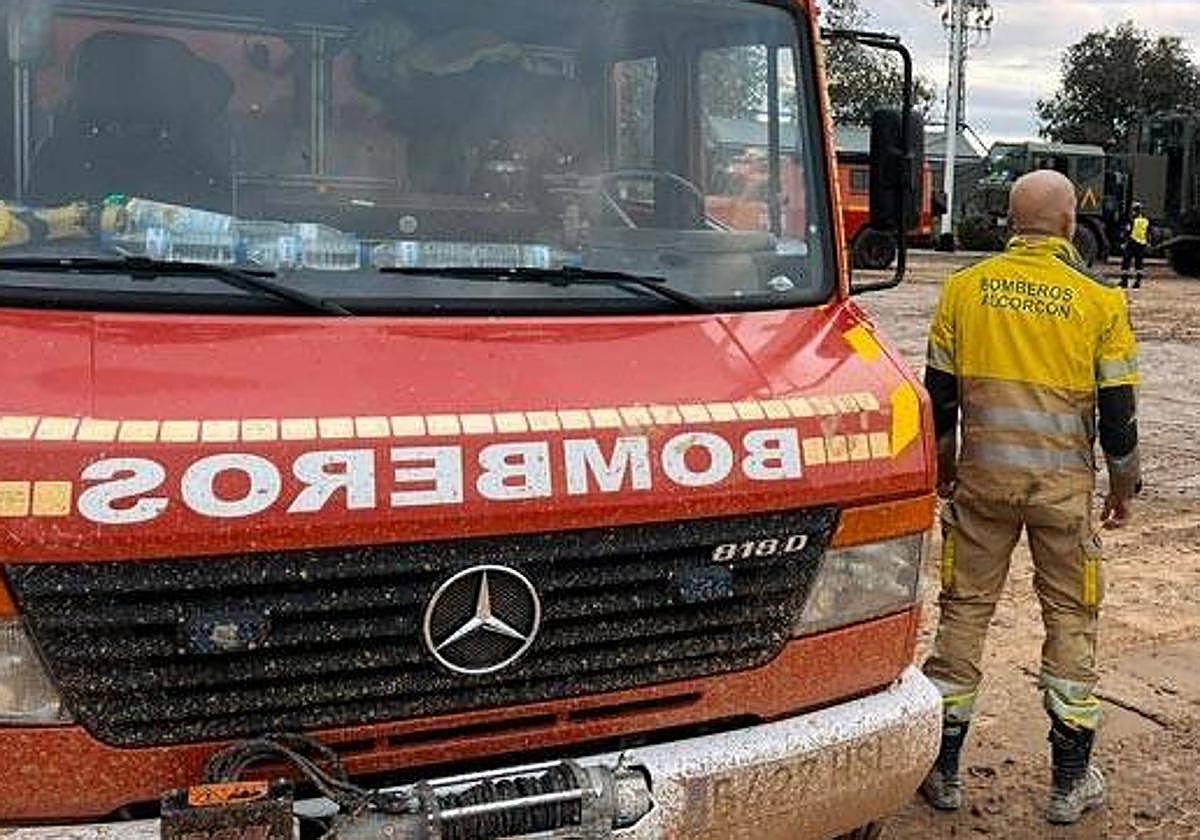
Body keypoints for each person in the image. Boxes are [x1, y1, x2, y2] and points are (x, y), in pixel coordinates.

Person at [920, 170, 1142, 825]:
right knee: (1071, 620)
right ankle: (1070, 782)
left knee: (964, 616)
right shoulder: (1100, 301)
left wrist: (945, 469)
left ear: (1010, 222)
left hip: (982, 488)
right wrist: (1122, 489)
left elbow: (939, 399)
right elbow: (1119, 417)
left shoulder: (964, 290)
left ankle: (943, 771)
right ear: (1070, 221)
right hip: (1061, 495)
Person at [1121, 201, 1151, 289]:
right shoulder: (1145, 221)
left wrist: (1124, 242)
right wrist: (1148, 243)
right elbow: (1148, 233)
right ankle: (1137, 282)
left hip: (1132, 242)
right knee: (1139, 264)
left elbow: (1128, 231)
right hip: (1142, 244)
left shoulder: (1132, 220)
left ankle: (1124, 282)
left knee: (1126, 262)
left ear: (1134, 211)